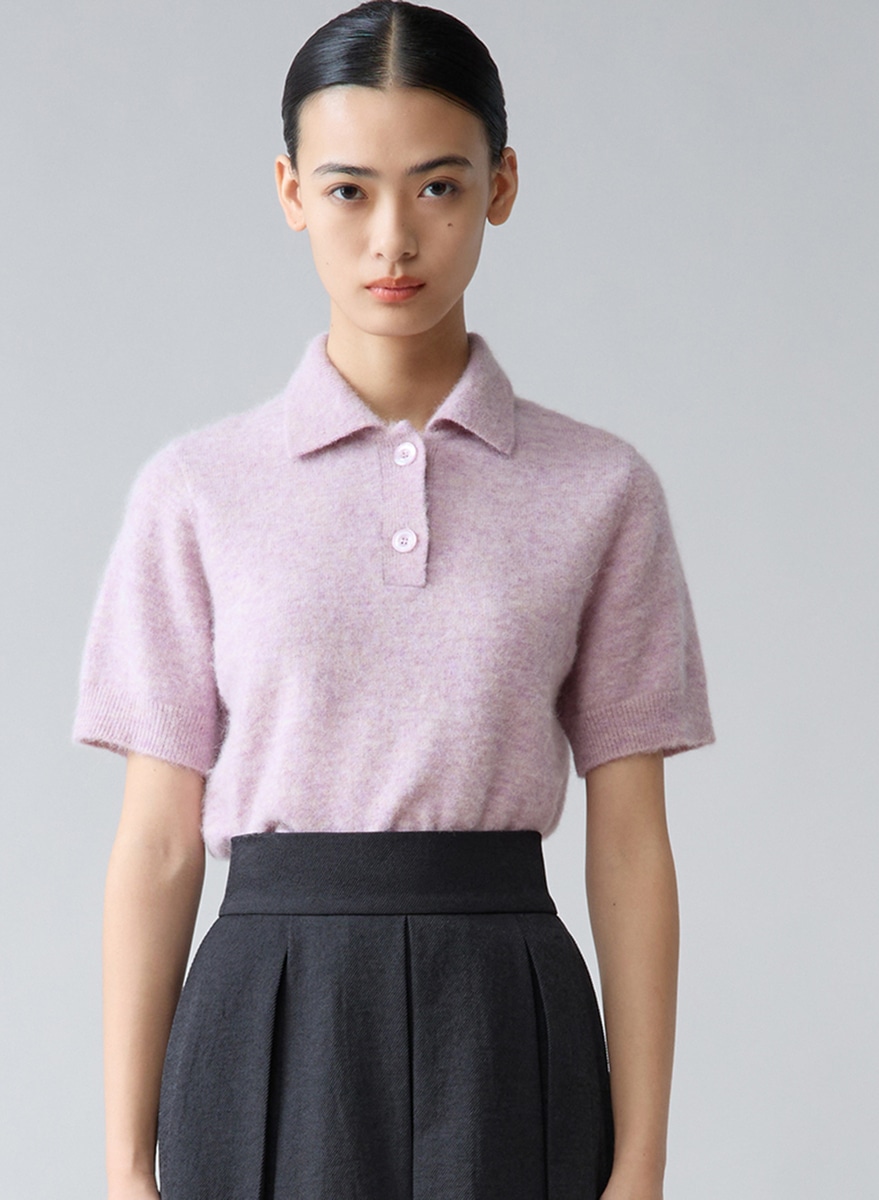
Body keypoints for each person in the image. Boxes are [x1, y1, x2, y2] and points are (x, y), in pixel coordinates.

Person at [72, 3, 715, 1198]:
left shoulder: (601, 489)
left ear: (501, 186)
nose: (392, 240)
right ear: (289, 192)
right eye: (348, 191)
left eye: (438, 187)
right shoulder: (197, 492)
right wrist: (121, 1167)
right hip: (264, 1016)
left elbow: (632, 846)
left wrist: (642, 1163)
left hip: (507, 1018)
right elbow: (158, 843)